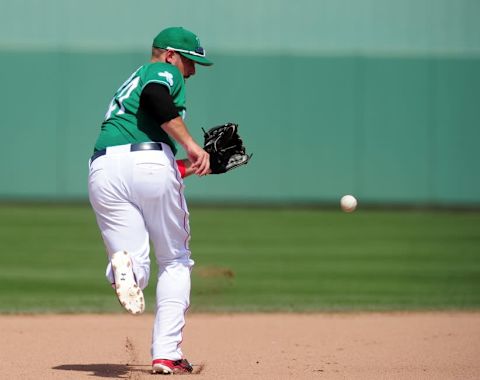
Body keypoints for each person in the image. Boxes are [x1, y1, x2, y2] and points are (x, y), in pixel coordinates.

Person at [88, 26, 213, 375]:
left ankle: (121, 268)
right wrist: (191, 145)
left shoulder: (127, 88)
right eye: (190, 62)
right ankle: (166, 354)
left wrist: (197, 163)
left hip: (104, 167)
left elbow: (144, 159)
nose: (191, 71)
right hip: (150, 162)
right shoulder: (161, 70)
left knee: (135, 268)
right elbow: (156, 98)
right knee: (174, 259)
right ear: (171, 54)